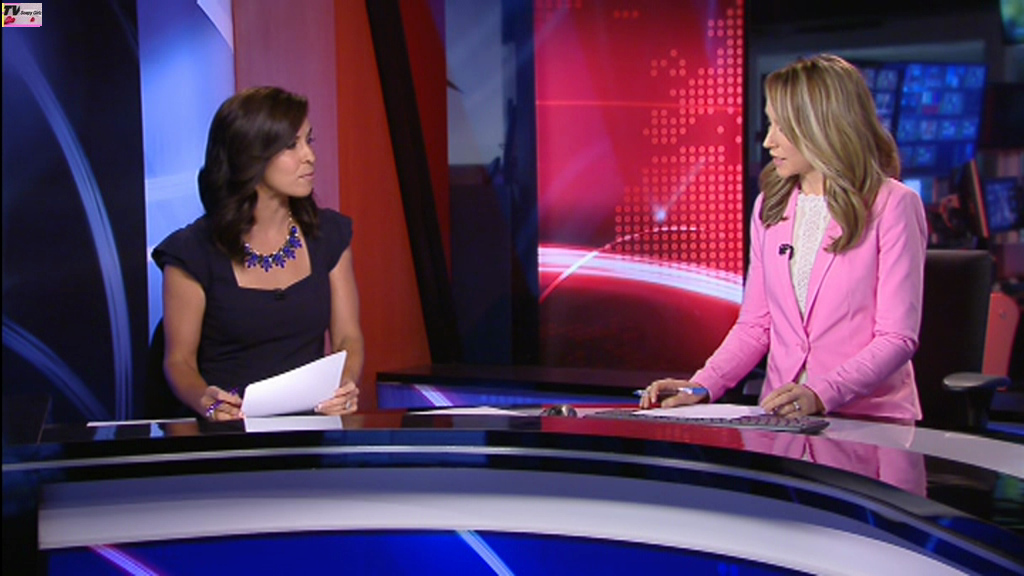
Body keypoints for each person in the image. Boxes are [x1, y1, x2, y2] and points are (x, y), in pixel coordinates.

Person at [640, 54, 926, 421]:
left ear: (822, 127)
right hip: (782, 420)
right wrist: (701, 385)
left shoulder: (893, 205)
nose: (769, 141)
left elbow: (896, 338)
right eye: (769, 124)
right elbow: (756, 326)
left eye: (782, 128)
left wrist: (821, 393)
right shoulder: (770, 207)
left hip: (869, 420)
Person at [153, 86, 364, 421]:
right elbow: (179, 362)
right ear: (250, 155)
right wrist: (208, 403)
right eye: (291, 145)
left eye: (309, 141)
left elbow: (347, 337)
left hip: (310, 429)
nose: (309, 156)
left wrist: (345, 384)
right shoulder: (191, 253)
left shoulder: (328, 235)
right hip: (227, 433)